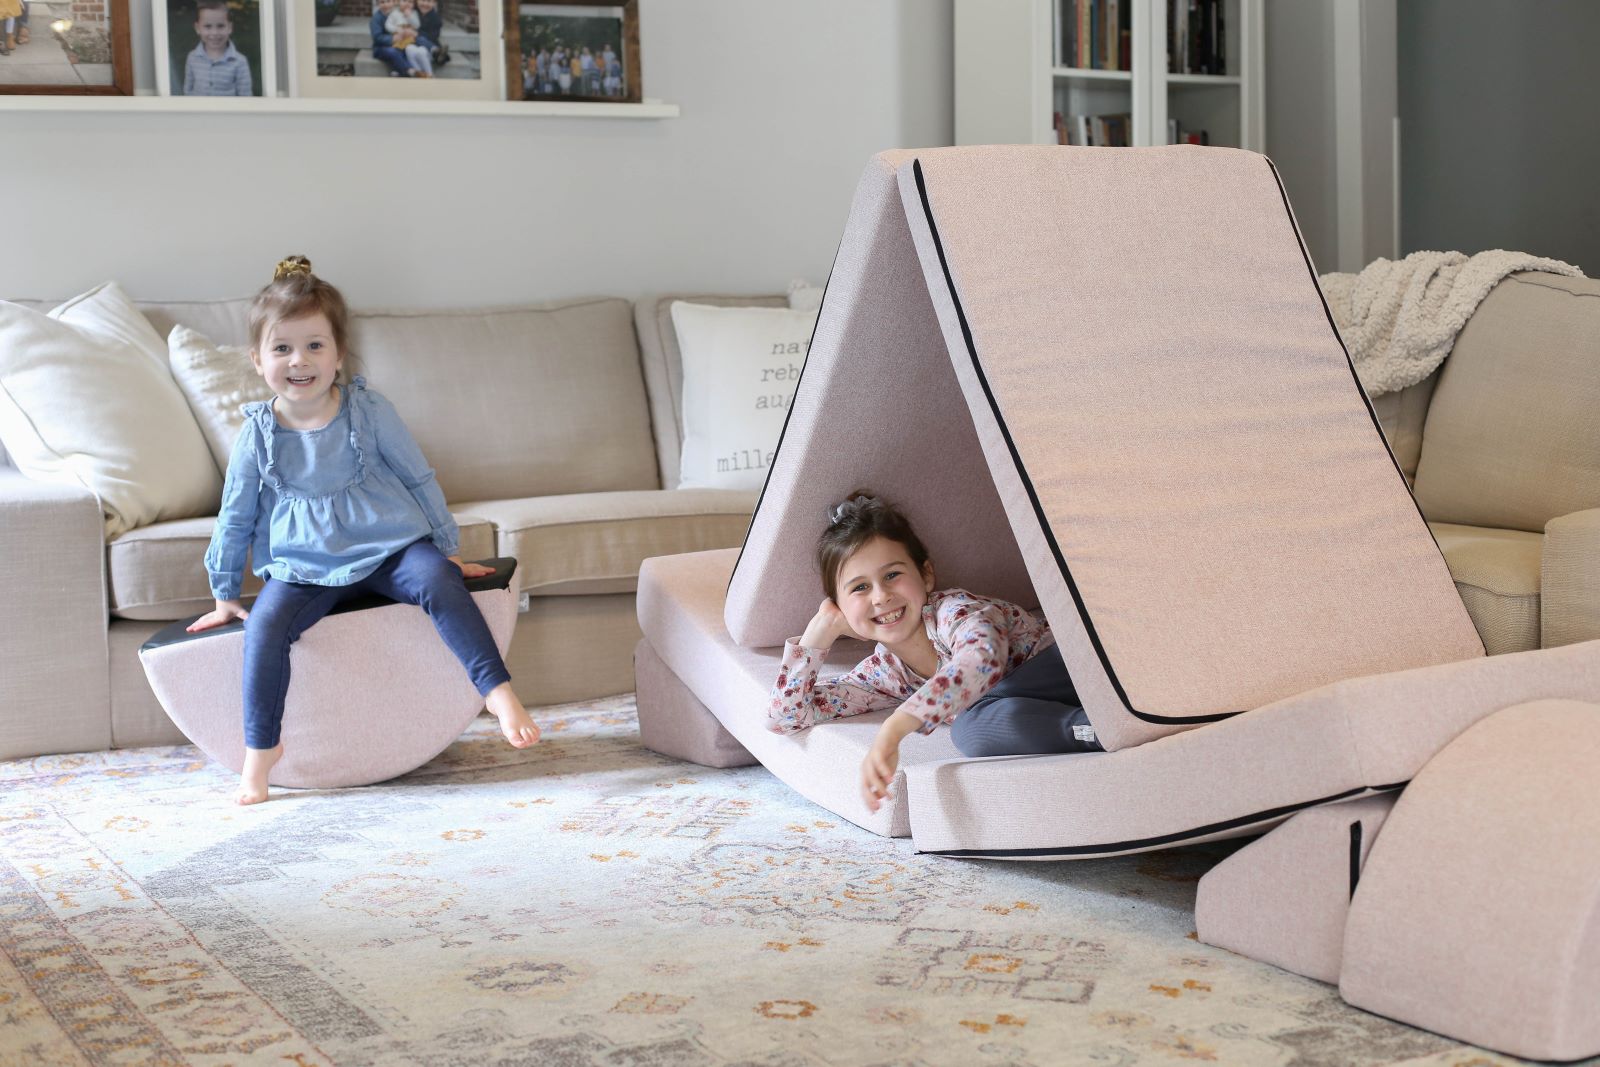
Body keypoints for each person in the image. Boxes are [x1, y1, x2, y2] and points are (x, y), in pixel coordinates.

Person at [191, 256, 539, 805]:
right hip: (304, 567)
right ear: (258, 360)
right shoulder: (257, 435)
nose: (298, 360)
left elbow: (417, 475)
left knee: (437, 583)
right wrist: (225, 591)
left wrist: (446, 549)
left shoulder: (368, 410)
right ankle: (261, 749)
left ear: (338, 355)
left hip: (389, 549)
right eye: (282, 348)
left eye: (314, 346)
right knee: (263, 629)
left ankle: (496, 692)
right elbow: (235, 513)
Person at [768, 492, 1100, 813]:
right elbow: (787, 716)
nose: (881, 596)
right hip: (1050, 710)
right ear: (839, 605)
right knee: (973, 730)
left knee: (971, 718)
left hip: (1073, 668)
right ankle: (1092, 732)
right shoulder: (885, 675)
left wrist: (896, 727)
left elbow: (982, 661)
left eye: (892, 575)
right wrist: (816, 637)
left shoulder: (955, 612)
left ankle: (1105, 719)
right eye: (860, 588)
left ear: (925, 575)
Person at [182, 0, 253, 96]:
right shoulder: (192, 58)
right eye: (208, 26)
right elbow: (188, 91)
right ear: (198, 28)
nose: (214, 33)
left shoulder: (239, 62)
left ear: (230, 27)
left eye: (220, 26)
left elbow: (246, 98)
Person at [385, 0, 432, 76]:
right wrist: (396, 29)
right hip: (399, 39)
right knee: (397, 53)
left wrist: (410, 16)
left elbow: (417, 25)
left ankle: (417, 70)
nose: (407, 3)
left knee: (409, 53)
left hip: (410, 39)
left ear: (414, 4)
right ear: (398, 2)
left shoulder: (414, 13)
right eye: (404, 1)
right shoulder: (394, 13)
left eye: (410, 2)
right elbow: (388, 25)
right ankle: (397, 69)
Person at [369, 0, 414, 77]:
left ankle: (397, 71)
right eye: (382, 2)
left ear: (394, 2)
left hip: (399, 43)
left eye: (388, 1)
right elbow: (377, 37)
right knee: (393, 51)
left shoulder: (397, 14)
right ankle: (407, 71)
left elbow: (404, 25)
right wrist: (392, 38)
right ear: (378, 4)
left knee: (406, 49)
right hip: (380, 47)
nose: (386, 5)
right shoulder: (376, 19)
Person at [415, 0, 448, 69]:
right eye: (422, 0)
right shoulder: (413, 13)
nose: (425, 3)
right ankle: (438, 53)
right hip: (411, 42)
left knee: (419, 39)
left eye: (429, 1)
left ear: (434, 3)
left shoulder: (436, 19)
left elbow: (433, 37)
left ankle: (438, 54)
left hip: (428, 42)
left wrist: (417, 33)